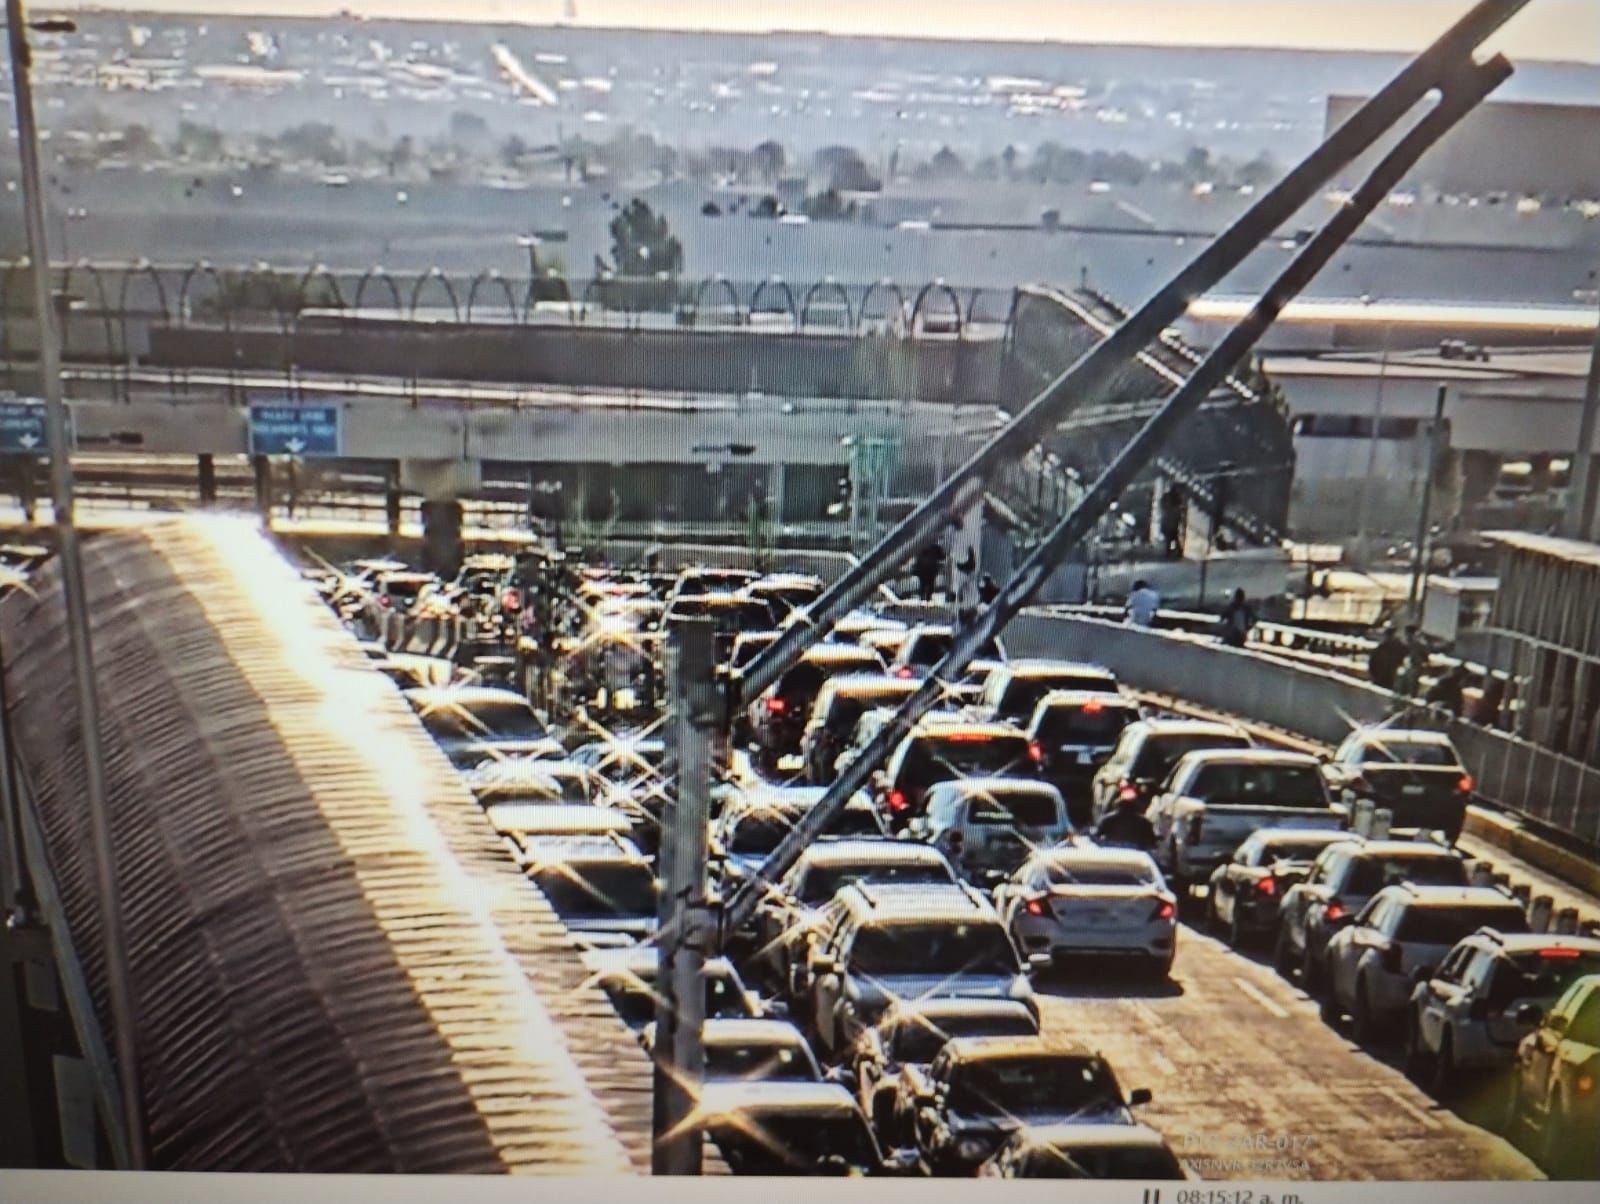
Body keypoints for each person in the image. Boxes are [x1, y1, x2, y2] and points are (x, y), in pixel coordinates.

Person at [1093, 795, 1157, 852]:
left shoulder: (1108, 819)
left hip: (1126, 853)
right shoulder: (1144, 822)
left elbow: (1095, 837)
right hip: (1125, 853)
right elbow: (1152, 843)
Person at [1367, 625, 1406, 691]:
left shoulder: (1382, 646)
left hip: (1382, 672)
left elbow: (1373, 660)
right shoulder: (1398, 645)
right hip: (1389, 672)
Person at [1158, 486, 1184, 560]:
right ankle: (1177, 552)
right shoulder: (1176, 497)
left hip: (1169, 518)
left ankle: (1170, 552)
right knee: (1173, 536)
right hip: (1172, 518)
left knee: (1170, 537)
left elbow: (1162, 504)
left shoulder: (1167, 497)